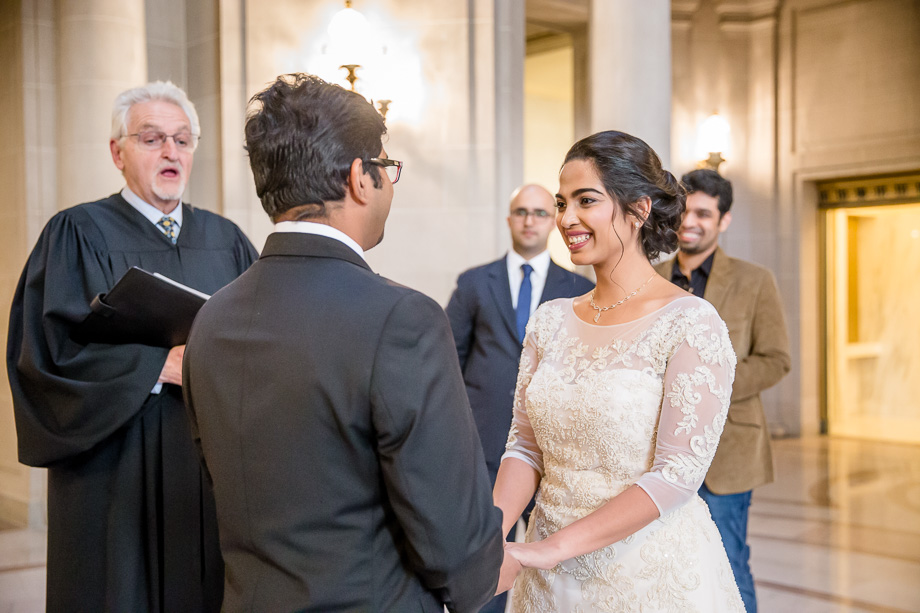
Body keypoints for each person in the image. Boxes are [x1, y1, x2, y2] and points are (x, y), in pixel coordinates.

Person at [181, 73, 504, 612]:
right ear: (360, 176)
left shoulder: (211, 318)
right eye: (388, 167)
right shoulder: (402, 318)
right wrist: (478, 585)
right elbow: (453, 527)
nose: (391, 183)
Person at [7, 81, 258, 612]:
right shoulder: (76, 233)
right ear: (117, 152)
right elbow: (44, 355)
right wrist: (155, 365)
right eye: (151, 139)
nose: (171, 151)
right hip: (114, 472)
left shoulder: (228, 239)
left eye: (182, 140)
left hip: (205, 469)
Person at [492, 130, 745, 611]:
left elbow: (676, 474)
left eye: (586, 201)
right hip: (546, 581)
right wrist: (489, 534)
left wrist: (546, 550)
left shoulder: (690, 322)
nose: (566, 219)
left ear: (640, 208)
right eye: (562, 203)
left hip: (644, 575)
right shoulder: (549, 321)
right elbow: (524, 447)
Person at [445, 183, 592, 613]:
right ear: (510, 219)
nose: (530, 220)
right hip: (487, 440)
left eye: (540, 213)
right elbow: (449, 356)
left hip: (556, 447)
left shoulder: (578, 286)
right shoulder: (474, 282)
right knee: (491, 555)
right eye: (522, 212)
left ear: (553, 221)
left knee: (558, 562)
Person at [655, 169, 791, 612]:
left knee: (729, 563)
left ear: (723, 220)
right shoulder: (650, 277)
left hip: (728, 455)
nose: (689, 221)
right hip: (655, 451)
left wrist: (706, 386)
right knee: (662, 565)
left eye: (703, 213)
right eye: (684, 210)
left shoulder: (755, 281)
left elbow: (776, 359)